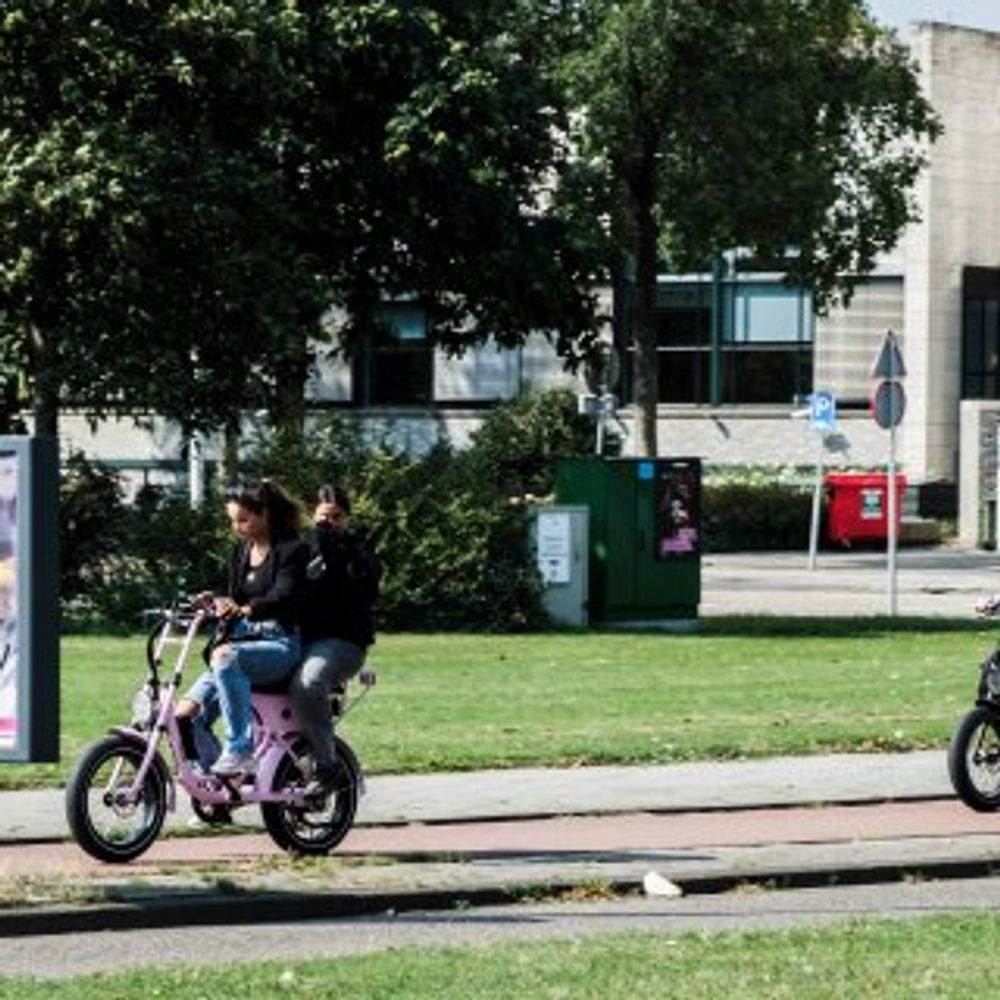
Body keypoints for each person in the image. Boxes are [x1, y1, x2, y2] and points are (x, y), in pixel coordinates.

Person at [177, 480, 307, 777]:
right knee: (185, 716)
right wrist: (216, 600)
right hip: (241, 645)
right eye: (232, 520)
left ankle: (239, 750)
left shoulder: (292, 550)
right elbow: (236, 598)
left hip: (281, 646)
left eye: (243, 519)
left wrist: (246, 609)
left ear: (266, 514)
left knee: (224, 657)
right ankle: (218, 787)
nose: (237, 527)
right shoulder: (241, 551)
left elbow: (283, 596)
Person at [291, 483, 380, 798]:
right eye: (323, 517)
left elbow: (356, 589)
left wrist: (329, 545)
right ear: (313, 516)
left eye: (336, 517)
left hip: (342, 641)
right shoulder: (302, 548)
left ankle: (327, 767)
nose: (329, 523)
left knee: (309, 681)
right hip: (300, 639)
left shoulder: (359, 552)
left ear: (347, 518)